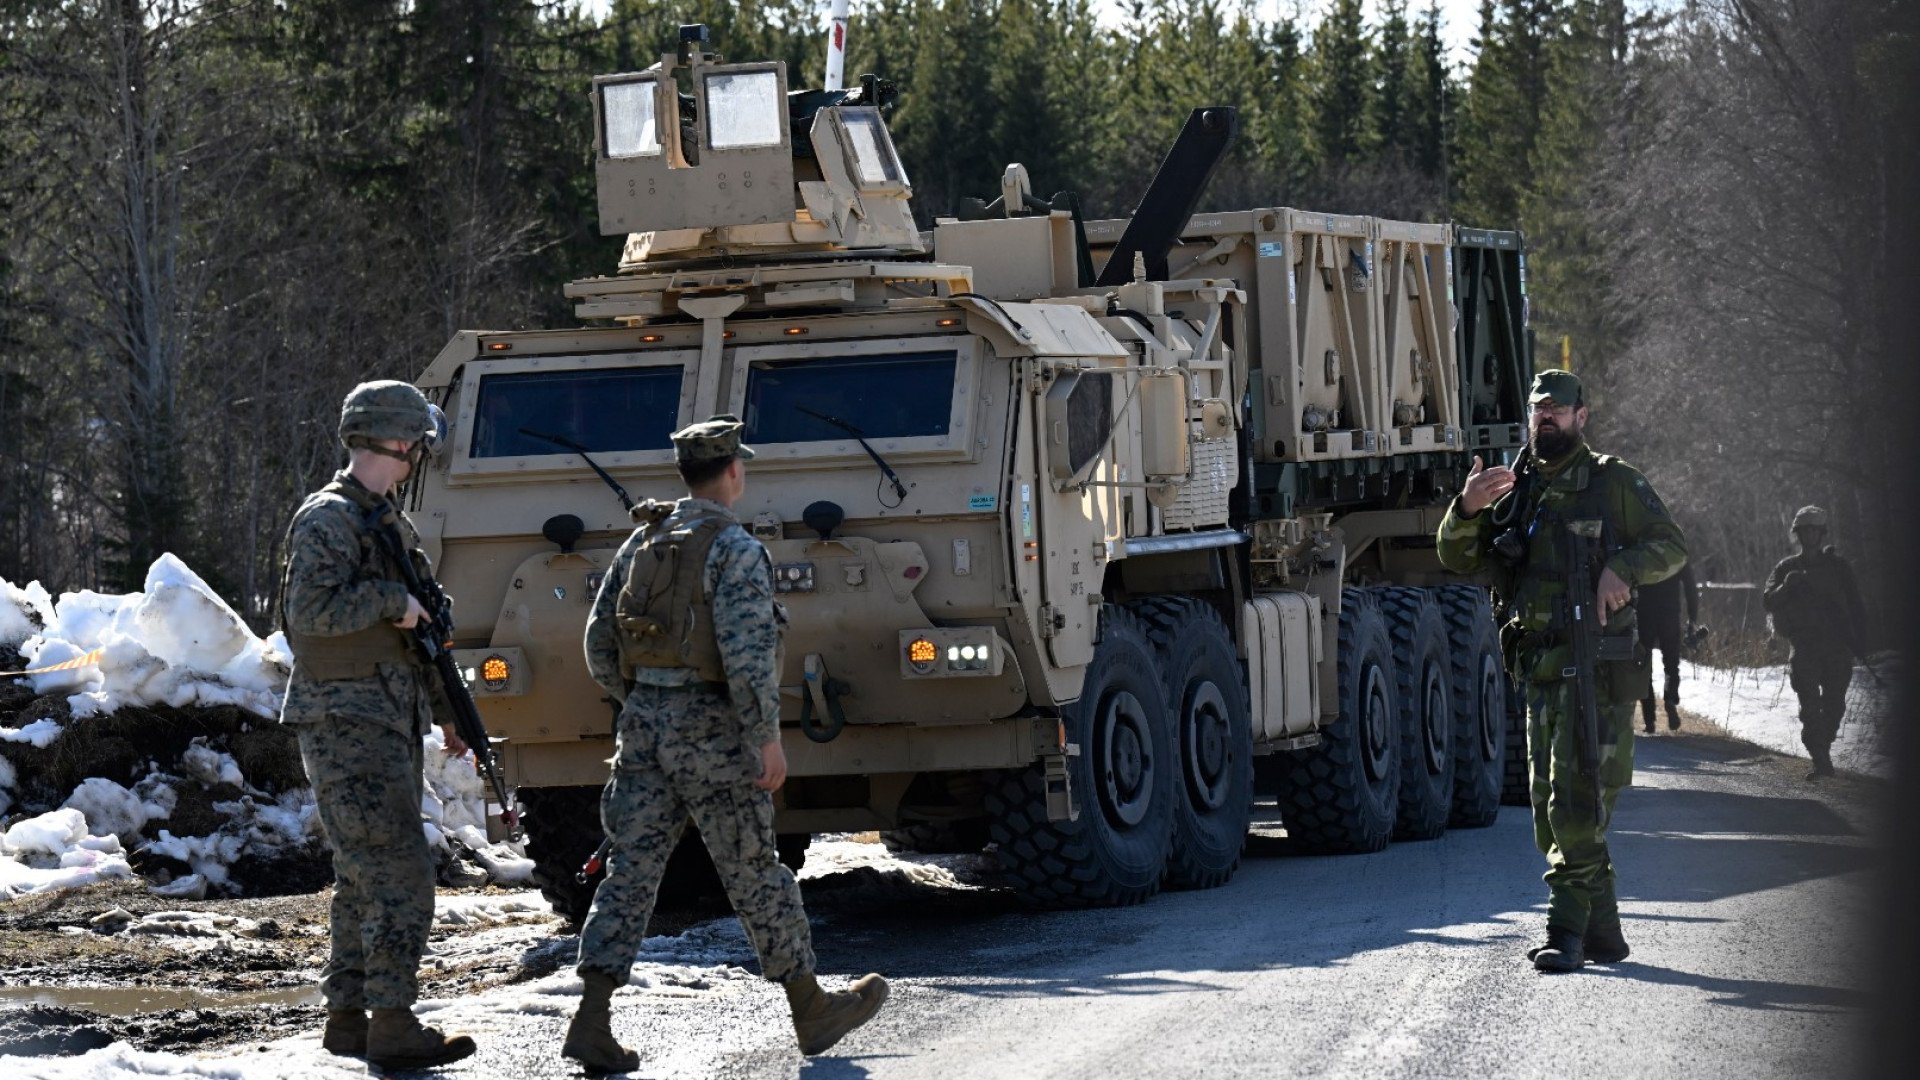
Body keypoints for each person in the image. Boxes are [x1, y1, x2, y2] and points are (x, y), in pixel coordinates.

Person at [564, 414, 887, 1072]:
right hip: (711, 733)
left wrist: (645, 702)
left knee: (628, 874)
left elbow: (600, 643)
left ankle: (591, 1020)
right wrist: (766, 739)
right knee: (753, 873)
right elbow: (747, 657)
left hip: (645, 726)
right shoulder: (735, 548)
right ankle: (810, 1008)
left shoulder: (645, 539)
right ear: (735, 471)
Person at [1436, 370, 1687, 973]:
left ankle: (1566, 933)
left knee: (1579, 809)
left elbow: (1672, 544)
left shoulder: (1611, 482)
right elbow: (1457, 556)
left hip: (1596, 670)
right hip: (1539, 670)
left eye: (1558, 408)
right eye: (1538, 409)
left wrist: (1622, 568)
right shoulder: (1512, 484)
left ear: (1582, 416)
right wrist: (1467, 508)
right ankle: (1606, 934)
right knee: (1552, 810)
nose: (1546, 417)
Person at [278, 380, 476, 1069]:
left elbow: (420, 633)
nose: (423, 451)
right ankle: (391, 1025)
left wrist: (450, 714)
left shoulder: (384, 519)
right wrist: (391, 599)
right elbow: (308, 615)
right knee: (398, 872)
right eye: (417, 441)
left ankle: (349, 1019)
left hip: (381, 717)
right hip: (345, 719)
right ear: (396, 440)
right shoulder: (328, 519)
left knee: (364, 872)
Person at [1762, 505, 1867, 780]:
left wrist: (1862, 642)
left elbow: (1856, 606)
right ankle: (1821, 761)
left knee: (1834, 707)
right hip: (1805, 646)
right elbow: (1768, 601)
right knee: (1809, 707)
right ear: (1798, 533)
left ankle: (1822, 748)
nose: (1809, 535)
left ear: (1821, 534)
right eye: (1804, 530)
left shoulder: (1839, 568)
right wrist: (1787, 586)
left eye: (1814, 530)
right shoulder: (1787, 568)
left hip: (1836, 646)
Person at [1637, 559, 1699, 733]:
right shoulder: (1675, 551)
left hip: (1645, 615)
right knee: (1671, 665)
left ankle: (1649, 720)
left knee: (1644, 667)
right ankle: (1670, 700)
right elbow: (1690, 588)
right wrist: (1692, 617)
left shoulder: (1643, 546)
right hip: (1670, 615)